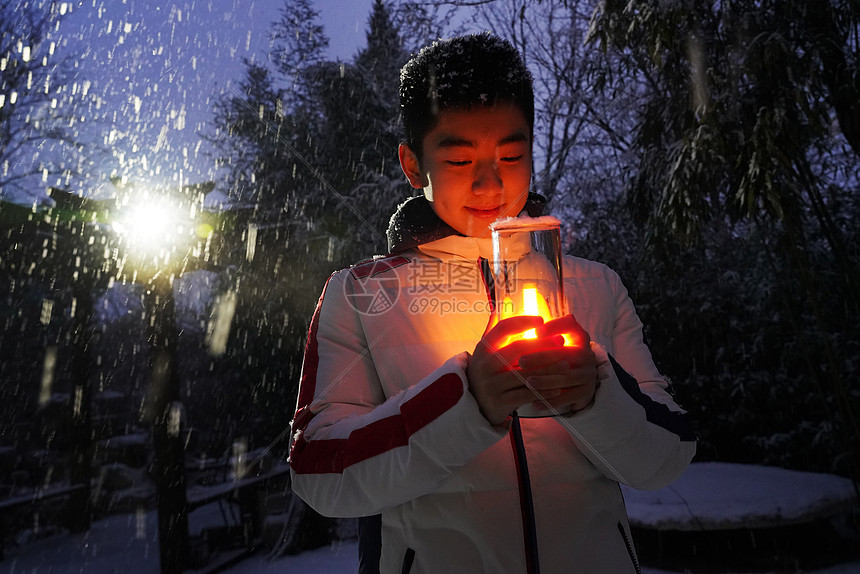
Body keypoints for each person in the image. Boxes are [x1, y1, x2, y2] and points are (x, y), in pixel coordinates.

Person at [289, 33, 696, 573]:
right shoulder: (363, 295)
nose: (490, 180)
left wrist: (597, 394)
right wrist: (465, 400)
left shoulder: (596, 287)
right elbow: (320, 472)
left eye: (511, 153)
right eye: (459, 159)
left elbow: (667, 455)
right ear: (414, 166)